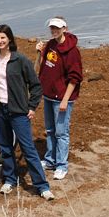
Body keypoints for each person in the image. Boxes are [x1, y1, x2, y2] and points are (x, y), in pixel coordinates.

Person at [0, 24, 54, 201]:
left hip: (18, 111)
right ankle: (10, 179)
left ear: (10, 39)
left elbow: (36, 86)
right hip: (0, 109)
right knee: (5, 147)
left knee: (28, 149)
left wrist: (31, 107)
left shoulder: (20, 60)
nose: (0, 41)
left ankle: (42, 186)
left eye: (3, 38)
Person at [35, 16, 83, 180]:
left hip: (62, 97)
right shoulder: (50, 45)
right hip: (48, 95)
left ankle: (61, 165)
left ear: (64, 28)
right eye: (52, 28)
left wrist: (65, 100)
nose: (54, 31)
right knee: (50, 130)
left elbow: (75, 78)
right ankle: (50, 160)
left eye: (57, 28)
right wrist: (40, 52)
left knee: (61, 133)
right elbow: (45, 66)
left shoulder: (72, 51)